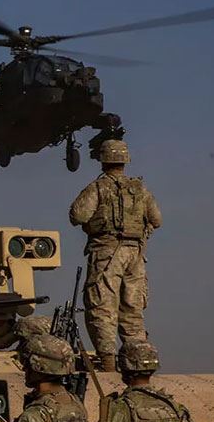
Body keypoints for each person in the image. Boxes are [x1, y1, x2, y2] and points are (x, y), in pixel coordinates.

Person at [67, 139, 161, 371]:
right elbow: (157, 219)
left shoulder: (98, 188)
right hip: (136, 255)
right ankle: (139, 365)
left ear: (103, 160)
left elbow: (78, 215)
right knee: (133, 310)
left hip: (106, 253)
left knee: (102, 306)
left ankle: (108, 364)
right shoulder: (140, 189)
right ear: (125, 160)